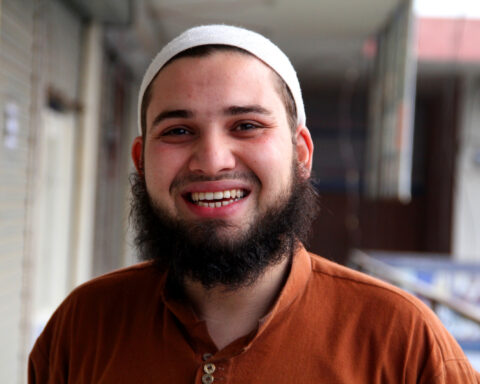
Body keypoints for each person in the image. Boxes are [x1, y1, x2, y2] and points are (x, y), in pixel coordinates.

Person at [29, 24, 480, 384]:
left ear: (300, 153)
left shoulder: (402, 340)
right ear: (141, 161)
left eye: (245, 125)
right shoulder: (83, 325)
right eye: (178, 131)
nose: (212, 160)